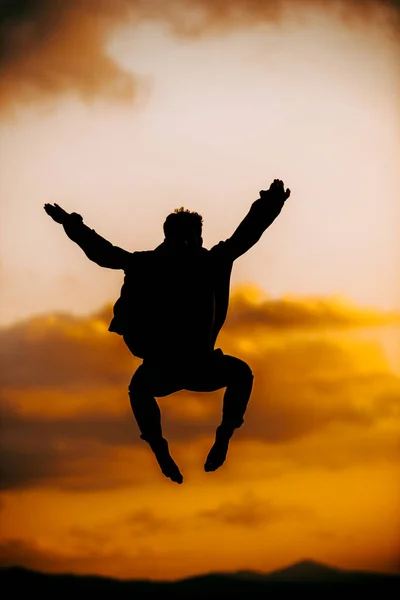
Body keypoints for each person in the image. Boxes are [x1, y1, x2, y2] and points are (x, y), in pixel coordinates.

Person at [44, 179, 291, 484]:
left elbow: (104, 253)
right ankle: (178, 448)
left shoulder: (158, 262)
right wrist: (270, 205)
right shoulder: (186, 261)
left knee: (158, 384)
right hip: (183, 366)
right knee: (226, 375)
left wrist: (72, 225)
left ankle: (203, 441)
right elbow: (246, 235)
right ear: (192, 236)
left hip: (181, 366)